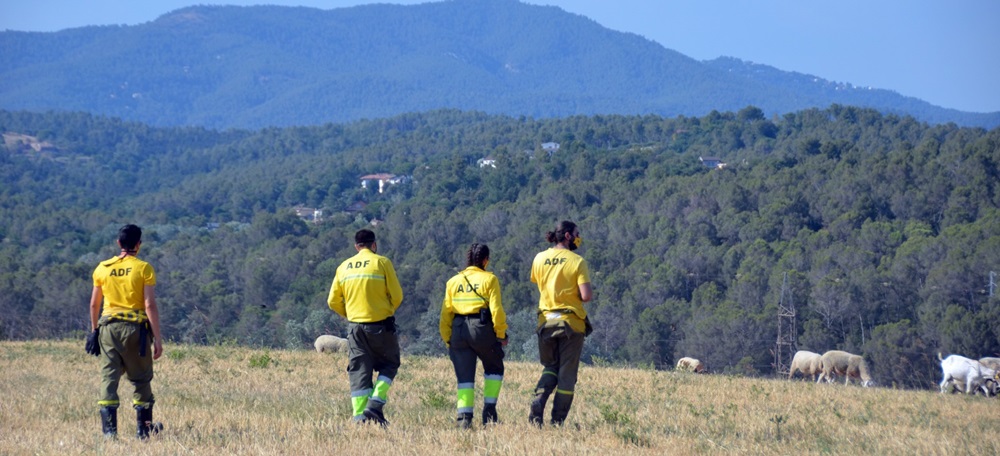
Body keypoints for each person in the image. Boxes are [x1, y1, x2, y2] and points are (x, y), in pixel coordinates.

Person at [88, 224, 164, 439]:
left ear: (119, 243)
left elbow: (94, 304)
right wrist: (157, 338)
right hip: (135, 330)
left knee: (109, 378)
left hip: (108, 328)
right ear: (139, 244)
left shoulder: (102, 267)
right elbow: (149, 305)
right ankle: (144, 431)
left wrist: (94, 331)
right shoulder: (143, 268)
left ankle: (110, 434)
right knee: (141, 379)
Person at [327, 229, 404, 427]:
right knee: (390, 363)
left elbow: (332, 301)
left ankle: (360, 419)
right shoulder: (382, 262)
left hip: (355, 328)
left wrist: (351, 315)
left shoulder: (343, 267)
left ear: (356, 247)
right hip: (380, 326)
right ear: (374, 245)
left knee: (359, 371)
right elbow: (397, 296)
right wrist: (386, 311)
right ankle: (376, 404)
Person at [528, 220, 592, 427]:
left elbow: (541, 284)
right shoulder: (577, 261)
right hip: (571, 324)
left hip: (545, 322)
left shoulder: (539, 258)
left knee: (550, 367)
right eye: (577, 233)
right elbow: (586, 296)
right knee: (567, 373)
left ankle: (539, 398)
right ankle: (557, 421)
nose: (578, 237)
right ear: (567, 236)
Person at [439, 243, 508, 428]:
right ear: (485, 260)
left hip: (458, 330)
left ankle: (464, 419)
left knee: (464, 378)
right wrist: (501, 334)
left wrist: (448, 339)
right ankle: (489, 411)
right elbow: (497, 311)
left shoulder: (453, 281)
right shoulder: (489, 279)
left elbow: (445, 315)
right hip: (481, 328)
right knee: (494, 367)